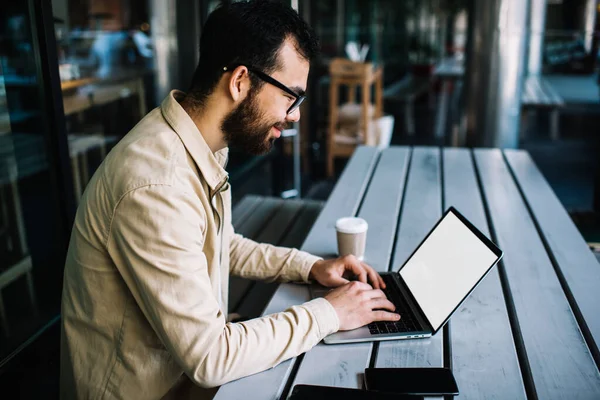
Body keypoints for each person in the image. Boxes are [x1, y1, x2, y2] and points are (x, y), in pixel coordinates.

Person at [60, 1, 399, 399]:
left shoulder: (199, 138)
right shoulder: (156, 185)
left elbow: (219, 244)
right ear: (240, 81)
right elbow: (211, 358)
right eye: (291, 96)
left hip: (178, 368)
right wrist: (331, 313)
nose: (295, 117)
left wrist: (311, 268)